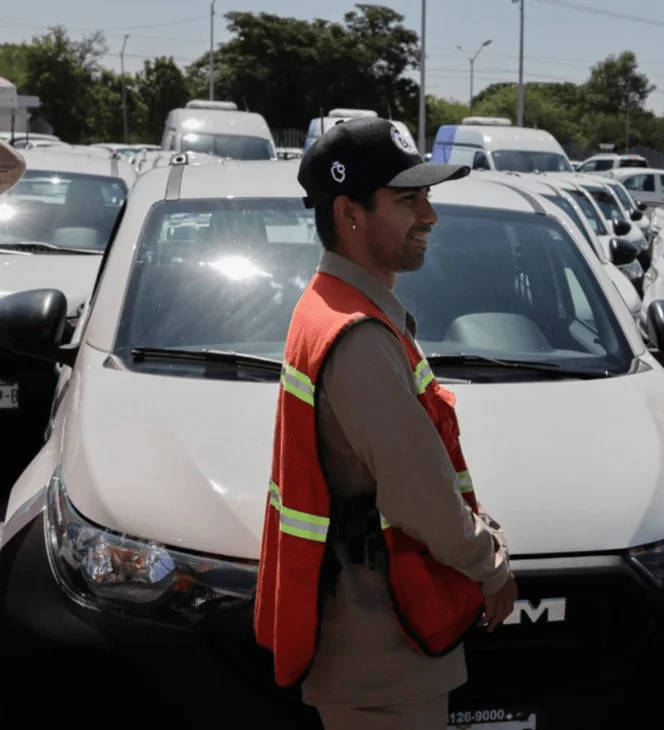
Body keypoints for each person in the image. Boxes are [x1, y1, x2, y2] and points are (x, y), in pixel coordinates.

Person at [253, 117, 518, 730]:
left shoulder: (333, 308)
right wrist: (491, 564)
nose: (430, 216)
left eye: (426, 196)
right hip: (382, 649)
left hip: (368, 635)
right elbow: (421, 496)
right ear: (349, 213)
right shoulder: (359, 336)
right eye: (408, 200)